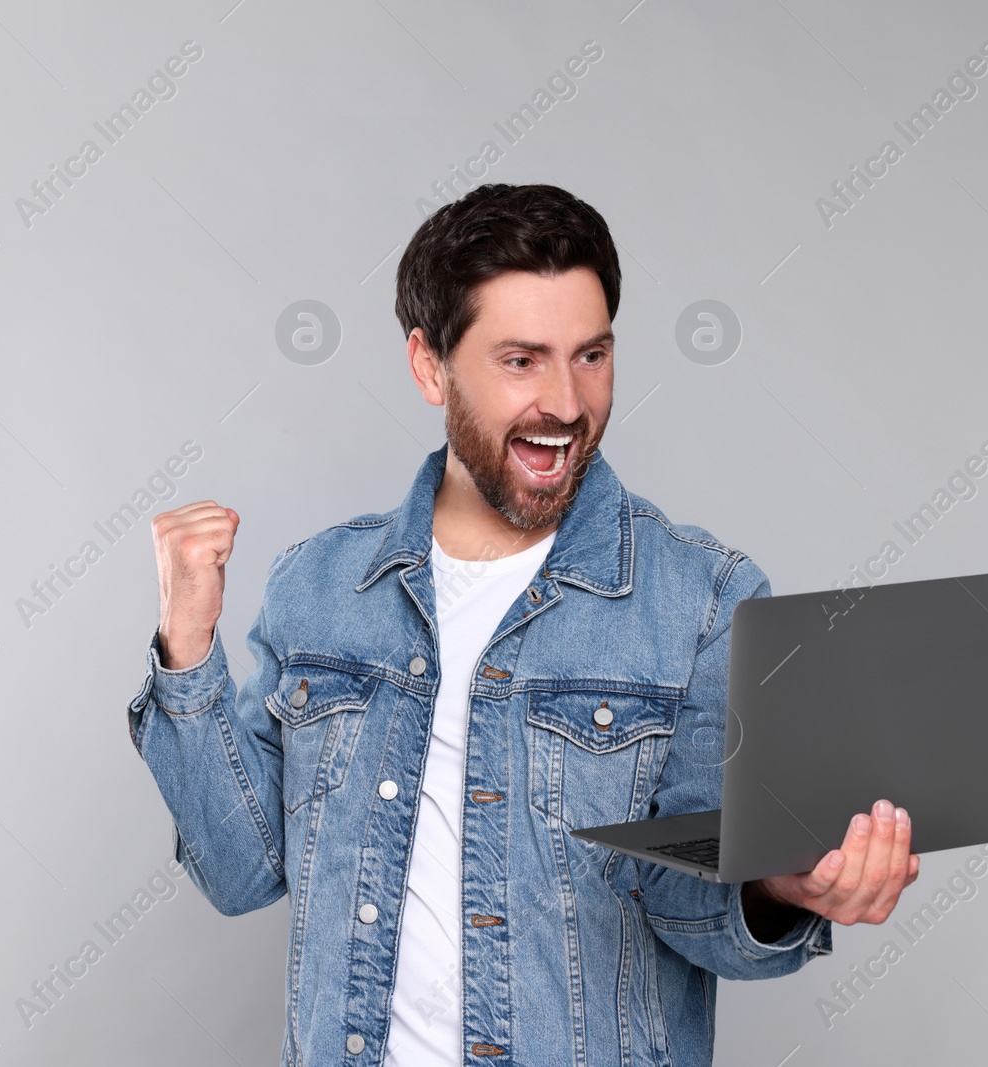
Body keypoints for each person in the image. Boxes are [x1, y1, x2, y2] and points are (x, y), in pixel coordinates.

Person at [127, 183, 919, 1065]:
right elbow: (239, 871)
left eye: (591, 355)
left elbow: (689, 899)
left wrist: (782, 885)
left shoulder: (702, 596)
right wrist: (188, 647)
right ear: (430, 366)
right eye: (521, 361)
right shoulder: (319, 586)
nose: (567, 403)